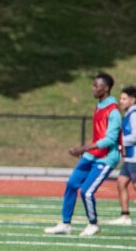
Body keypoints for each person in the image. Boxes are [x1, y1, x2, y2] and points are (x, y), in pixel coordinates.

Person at [45, 72, 122, 237]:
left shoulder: (114, 111)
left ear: (106, 88)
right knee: (72, 184)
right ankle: (65, 224)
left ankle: (93, 224)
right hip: (93, 154)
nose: (93, 88)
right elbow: (98, 135)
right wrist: (84, 148)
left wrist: (83, 148)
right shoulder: (99, 105)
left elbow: (110, 139)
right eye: (93, 85)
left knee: (87, 191)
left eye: (96, 85)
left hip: (107, 157)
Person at [109, 85, 136, 226]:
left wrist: (119, 141)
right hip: (130, 158)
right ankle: (125, 216)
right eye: (121, 98)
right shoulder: (128, 114)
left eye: (124, 98)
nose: (121, 101)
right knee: (121, 183)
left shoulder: (135, 114)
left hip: (135, 159)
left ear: (133, 100)